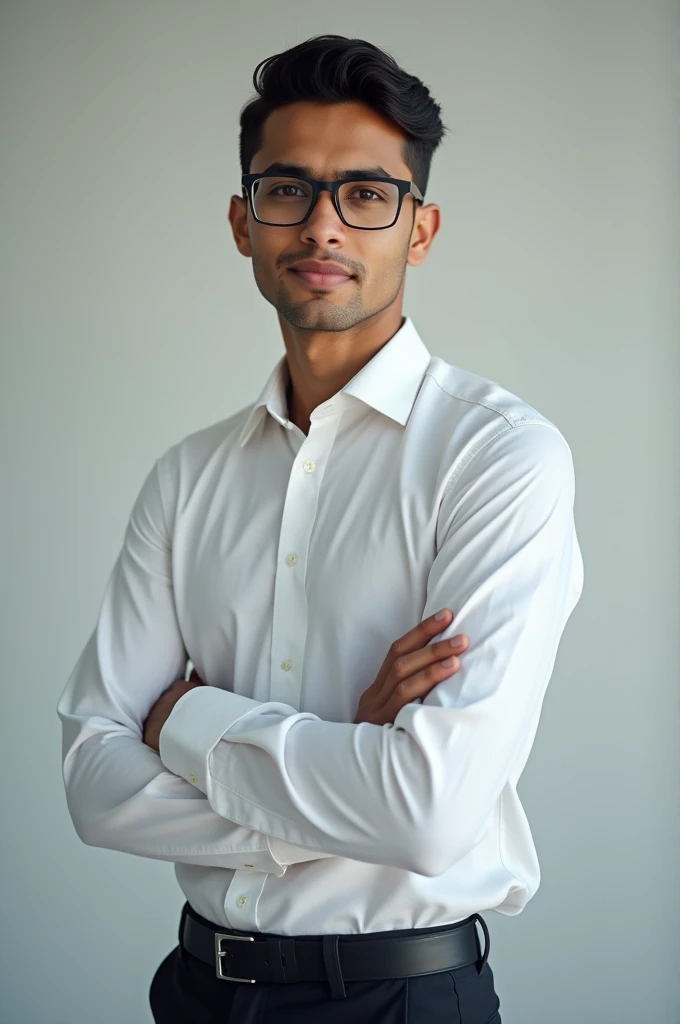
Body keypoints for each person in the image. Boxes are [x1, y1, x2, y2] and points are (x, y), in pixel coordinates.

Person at [57, 33, 584, 1024]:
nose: (323, 227)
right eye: (287, 190)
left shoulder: (498, 459)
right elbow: (91, 779)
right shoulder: (186, 479)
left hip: (401, 998)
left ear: (417, 230)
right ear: (241, 220)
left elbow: (427, 815)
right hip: (195, 994)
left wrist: (183, 724)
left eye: (366, 195)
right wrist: (348, 759)